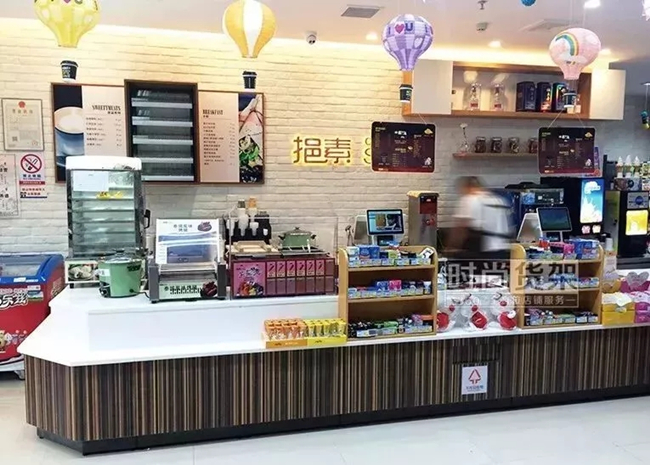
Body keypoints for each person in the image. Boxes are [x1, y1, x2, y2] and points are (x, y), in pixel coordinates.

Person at [449, 176, 513, 285]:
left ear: (468, 187)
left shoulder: (469, 199)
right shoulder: (499, 200)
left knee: (474, 284)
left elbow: (461, 227)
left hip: (481, 253)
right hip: (501, 252)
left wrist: (452, 247)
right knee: (496, 284)